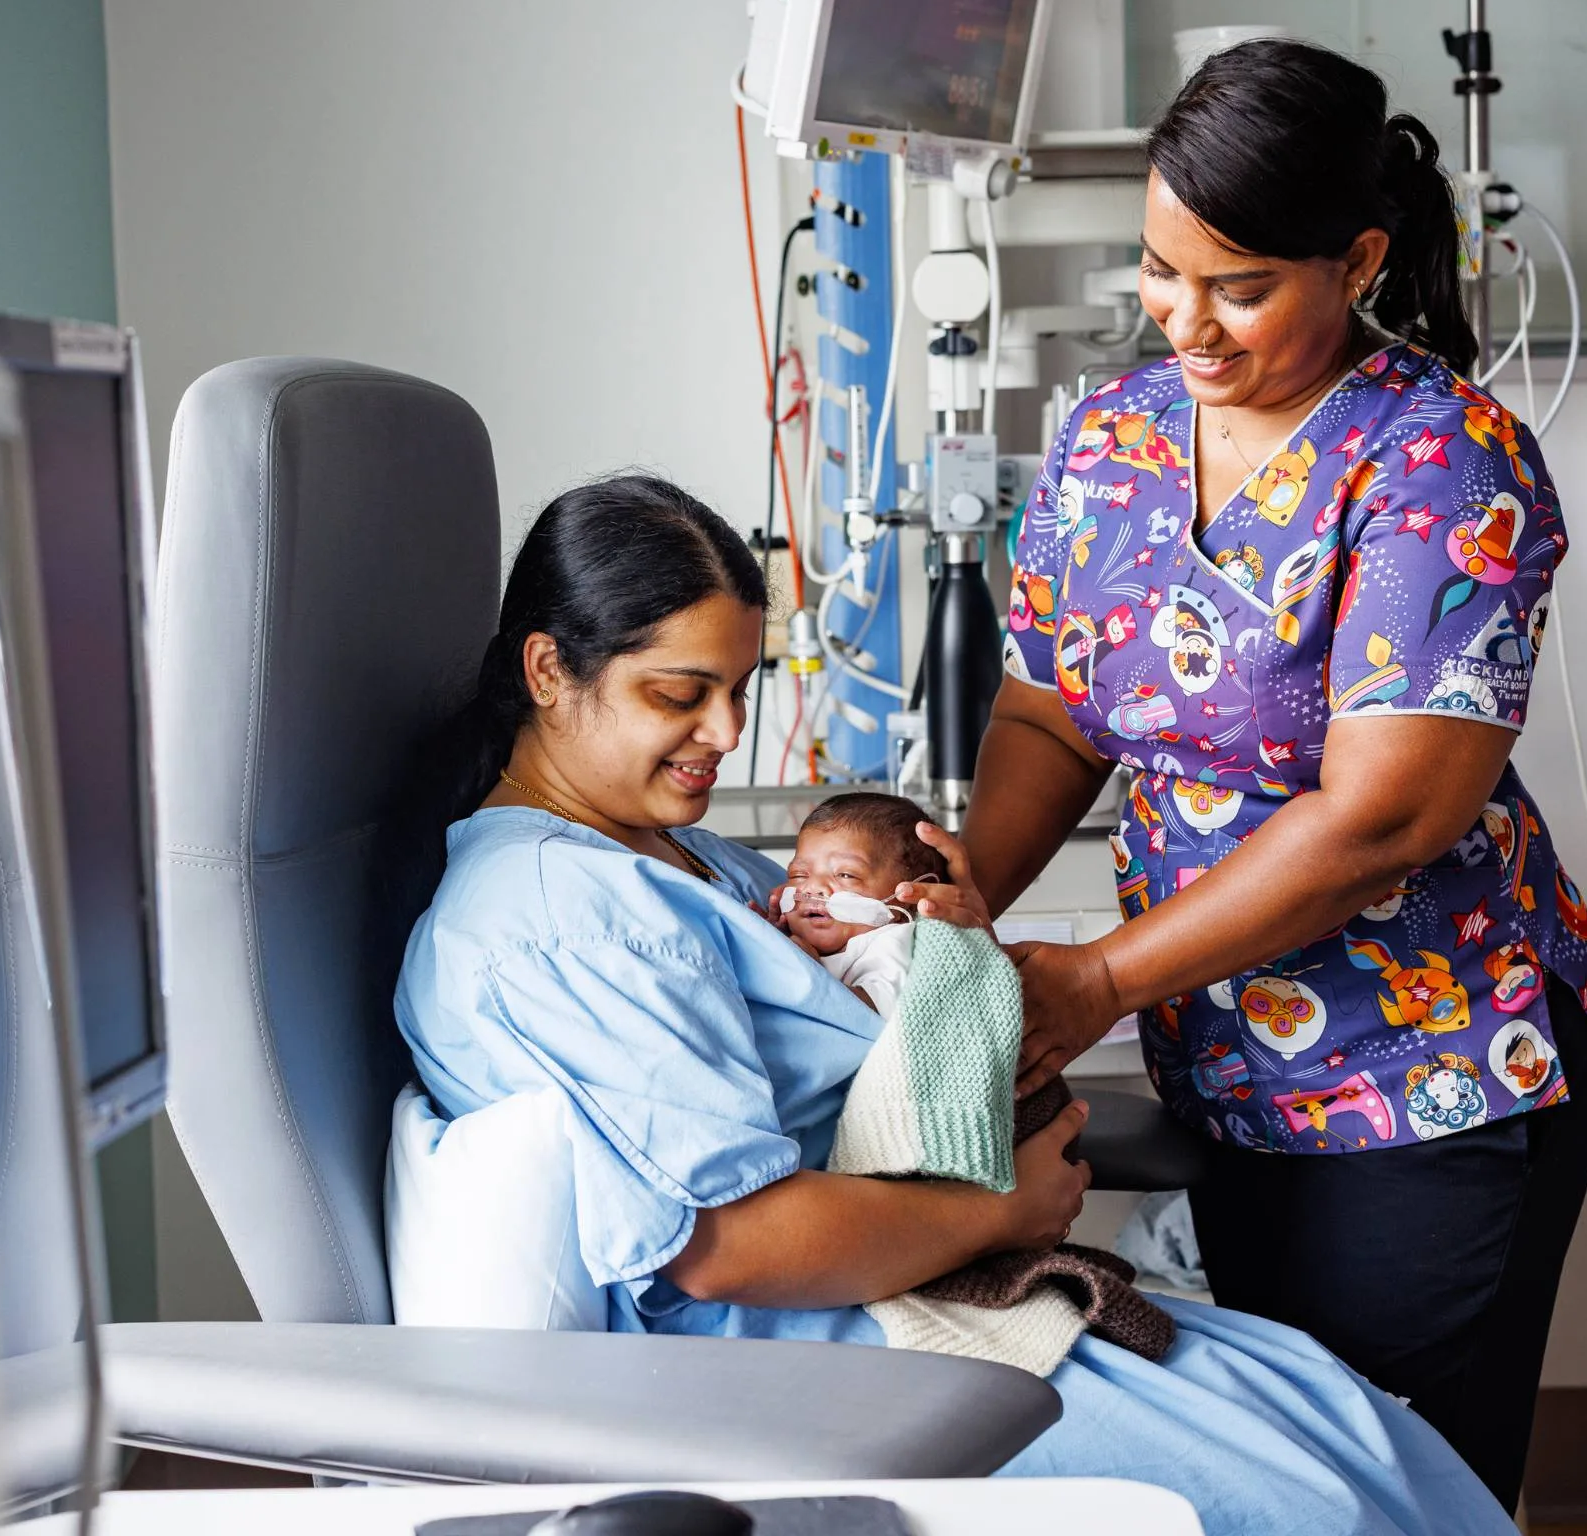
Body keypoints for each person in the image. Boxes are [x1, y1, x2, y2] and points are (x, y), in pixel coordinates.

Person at [393, 473, 1515, 1536]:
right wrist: (1000, 1210)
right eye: (681, 695)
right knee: (1317, 1509)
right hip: (806, 1353)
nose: (727, 734)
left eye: (741, 690)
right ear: (549, 670)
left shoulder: (678, 859)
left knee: (1353, 1426)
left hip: (907, 1288)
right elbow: (726, 1245)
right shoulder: (554, 913)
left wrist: (953, 964)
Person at [956, 38, 1587, 1512]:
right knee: (1283, 1478)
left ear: (1359, 260)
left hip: (1430, 1071)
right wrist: (955, 906)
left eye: (1242, 286)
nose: (1187, 322)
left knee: (1400, 1486)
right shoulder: (1111, 437)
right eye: (1162, 272)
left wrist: (1098, 981)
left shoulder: (1444, 462)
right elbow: (1052, 715)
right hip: (1224, 1058)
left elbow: (1383, 818)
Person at [775, 792, 946, 1012]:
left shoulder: (889, 942)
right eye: (799, 874)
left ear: (908, 898)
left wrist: (810, 971)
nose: (812, 887)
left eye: (845, 875)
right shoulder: (797, 936)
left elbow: (877, 1014)